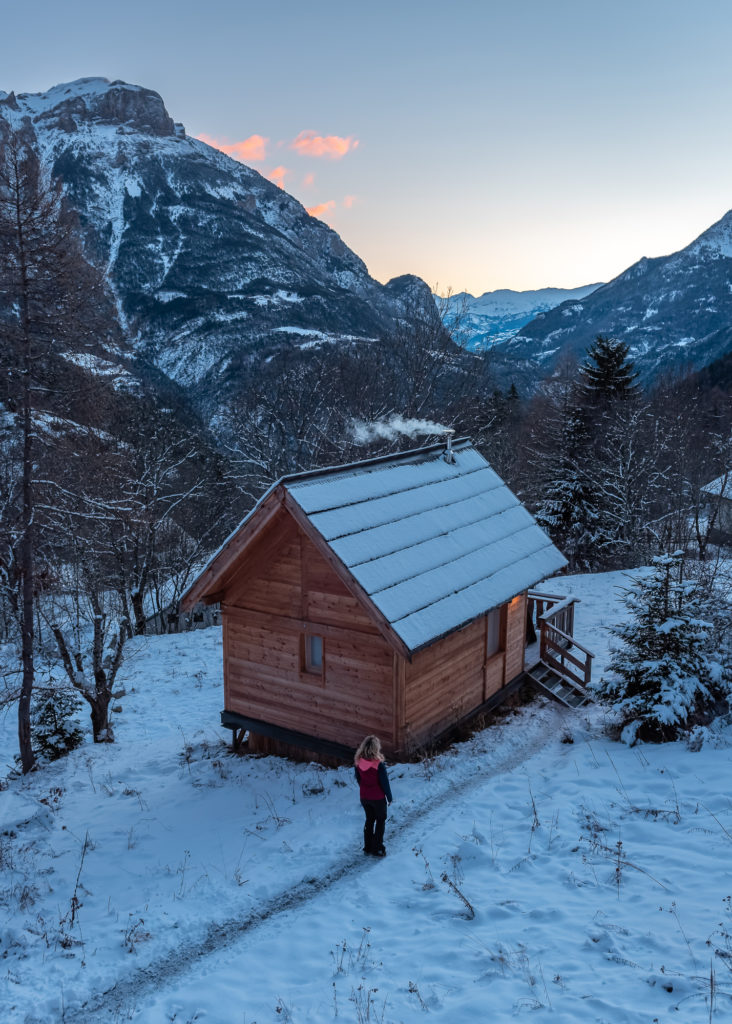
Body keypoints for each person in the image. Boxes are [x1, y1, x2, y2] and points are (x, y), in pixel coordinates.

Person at [354, 734, 393, 856]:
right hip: (378, 798)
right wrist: (389, 797)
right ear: (376, 748)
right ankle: (377, 848)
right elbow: (384, 782)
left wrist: (365, 789)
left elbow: (358, 779)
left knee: (369, 820)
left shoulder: (359, 762)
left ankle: (368, 846)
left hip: (364, 797)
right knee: (380, 821)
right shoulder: (378, 765)